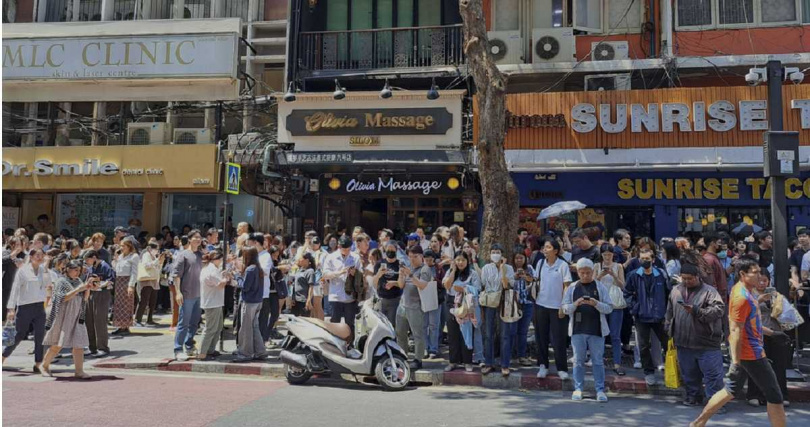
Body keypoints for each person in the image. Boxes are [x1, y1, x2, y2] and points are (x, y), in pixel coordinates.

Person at [690, 258, 788, 427]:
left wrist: (772, 333)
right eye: (755, 273)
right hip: (751, 354)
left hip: (747, 351)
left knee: (730, 390)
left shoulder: (744, 291)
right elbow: (735, 330)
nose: (760, 276)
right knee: (774, 395)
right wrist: (735, 362)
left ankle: (698, 423)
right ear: (743, 274)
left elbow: (750, 324)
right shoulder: (742, 297)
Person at [664, 263, 725, 407]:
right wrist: (668, 327)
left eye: (690, 278)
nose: (686, 281)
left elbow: (719, 310)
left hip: (707, 343)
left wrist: (697, 311)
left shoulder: (710, 292)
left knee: (713, 376)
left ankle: (715, 403)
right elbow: (669, 312)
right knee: (689, 374)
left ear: (697, 277)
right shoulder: (675, 290)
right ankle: (693, 396)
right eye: (684, 278)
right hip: (683, 341)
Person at [561, 258, 613, 402]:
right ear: (577, 272)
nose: (585, 275)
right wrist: (575, 304)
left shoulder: (600, 286)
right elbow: (565, 308)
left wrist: (596, 303)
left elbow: (609, 308)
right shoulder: (572, 287)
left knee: (598, 361)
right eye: (582, 272)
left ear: (593, 272)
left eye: (588, 273)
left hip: (597, 330)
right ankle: (578, 388)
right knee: (578, 361)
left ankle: (600, 390)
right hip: (578, 330)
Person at [39, 260, 92, 378]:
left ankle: (79, 371)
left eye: (79, 270)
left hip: (78, 314)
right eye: (75, 270)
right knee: (58, 344)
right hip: (63, 315)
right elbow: (62, 298)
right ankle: (44, 365)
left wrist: (87, 288)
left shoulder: (78, 281)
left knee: (79, 344)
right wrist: (78, 289)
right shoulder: (61, 281)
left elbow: (85, 299)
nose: (77, 273)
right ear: (67, 269)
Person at [624, 248, 670, 386]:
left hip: (660, 316)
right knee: (643, 346)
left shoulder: (661, 274)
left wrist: (668, 313)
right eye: (642, 259)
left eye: (647, 259)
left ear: (653, 260)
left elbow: (668, 294)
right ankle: (648, 372)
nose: (645, 261)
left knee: (668, 344)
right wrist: (635, 308)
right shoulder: (633, 275)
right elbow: (627, 293)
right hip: (642, 316)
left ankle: (672, 368)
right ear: (639, 259)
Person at [746, 270, 792, 407]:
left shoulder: (776, 295)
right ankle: (754, 394)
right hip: (757, 335)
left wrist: (777, 305)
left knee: (779, 366)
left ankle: (781, 395)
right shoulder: (748, 294)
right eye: (759, 280)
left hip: (776, 333)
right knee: (757, 367)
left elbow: (787, 314)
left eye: (764, 280)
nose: (761, 283)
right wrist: (759, 300)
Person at [3, 248, 52, 372]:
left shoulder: (43, 270)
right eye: (37, 255)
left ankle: (38, 363)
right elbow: (15, 289)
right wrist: (11, 309)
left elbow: (48, 285)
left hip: (39, 306)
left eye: (42, 255)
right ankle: (3, 356)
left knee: (40, 335)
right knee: (19, 334)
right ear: (31, 257)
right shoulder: (23, 270)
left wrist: (46, 268)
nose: (40, 257)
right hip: (25, 307)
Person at [533, 239, 572, 380]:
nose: (545, 249)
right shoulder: (540, 263)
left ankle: (561, 368)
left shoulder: (562, 265)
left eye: (548, 247)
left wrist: (564, 305)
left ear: (555, 250)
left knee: (559, 339)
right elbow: (536, 281)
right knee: (541, 337)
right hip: (541, 304)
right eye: (544, 247)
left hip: (557, 307)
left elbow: (567, 285)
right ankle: (543, 365)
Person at [396, 246, 433, 370]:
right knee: (400, 333)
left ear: (421, 256)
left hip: (416, 306)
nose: (412, 259)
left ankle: (418, 359)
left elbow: (422, 285)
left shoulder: (425, 269)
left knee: (418, 334)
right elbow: (401, 285)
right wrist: (401, 275)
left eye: (415, 257)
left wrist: (410, 274)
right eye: (410, 257)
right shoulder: (408, 268)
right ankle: (402, 355)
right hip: (403, 305)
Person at [443, 252, 481, 373]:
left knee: (467, 333)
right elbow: (446, 285)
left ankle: (467, 362)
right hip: (451, 304)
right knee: (453, 333)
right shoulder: (450, 272)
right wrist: (453, 271)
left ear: (467, 261)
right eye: (458, 260)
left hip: (466, 305)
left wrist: (464, 289)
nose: (460, 262)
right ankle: (453, 361)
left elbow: (478, 289)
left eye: (462, 260)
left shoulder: (472, 274)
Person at [479, 243, 514, 375]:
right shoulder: (486, 268)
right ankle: (489, 363)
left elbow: (507, 285)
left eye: (498, 251)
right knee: (488, 334)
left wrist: (503, 268)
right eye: (493, 251)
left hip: (505, 301)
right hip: (489, 301)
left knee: (505, 334)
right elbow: (483, 285)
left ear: (502, 254)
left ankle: (505, 364)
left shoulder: (509, 268)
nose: (495, 254)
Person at [171, 229, 204, 360]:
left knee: (194, 323)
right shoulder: (183, 255)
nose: (198, 239)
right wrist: (178, 292)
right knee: (183, 323)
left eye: (199, 237)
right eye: (195, 237)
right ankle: (178, 349)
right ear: (189, 239)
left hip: (199, 294)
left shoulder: (201, 255)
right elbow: (176, 275)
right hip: (186, 294)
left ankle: (189, 345)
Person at [595, 244, 626, 375]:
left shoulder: (618, 266)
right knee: (599, 334)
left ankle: (617, 363)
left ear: (613, 254)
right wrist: (600, 275)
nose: (607, 257)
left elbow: (622, 285)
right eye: (604, 254)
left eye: (609, 254)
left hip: (615, 304)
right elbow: (592, 283)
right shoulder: (596, 266)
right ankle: (598, 362)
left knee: (615, 335)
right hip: (600, 303)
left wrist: (613, 275)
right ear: (601, 255)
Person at [322, 235, 361, 335]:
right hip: (335, 295)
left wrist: (354, 273)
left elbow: (361, 274)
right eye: (344, 249)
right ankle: (335, 345)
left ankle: (350, 345)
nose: (346, 251)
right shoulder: (331, 257)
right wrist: (339, 272)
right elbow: (325, 274)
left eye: (348, 249)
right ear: (339, 247)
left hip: (350, 296)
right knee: (335, 323)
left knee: (350, 323)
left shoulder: (355, 257)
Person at [234, 246, 267, 363]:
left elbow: (245, 287)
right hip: (258, 301)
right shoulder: (258, 268)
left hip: (249, 302)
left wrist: (238, 277)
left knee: (246, 328)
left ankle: (245, 353)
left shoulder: (250, 270)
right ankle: (260, 351)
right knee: (254, 327)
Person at [199, 250, 230, 361]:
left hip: (215, 302)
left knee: (217, 327)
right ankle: (202, 353)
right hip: (212, 303)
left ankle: (210, 350)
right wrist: (226, 277)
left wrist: (223, 276)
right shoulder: (211, 271)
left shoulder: (210, 269)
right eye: (221, 259)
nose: (221, 261)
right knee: (211, 328)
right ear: (216, 259)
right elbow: (221, 284)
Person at [510, 252, 535, 367]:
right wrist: (514, 277)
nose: (519, 260)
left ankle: (522, 356)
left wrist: (527, 278)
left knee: (523, 331)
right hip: (513, 304)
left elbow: (535, 281)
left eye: (521, 258)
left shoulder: (529, 268)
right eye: (517, 258)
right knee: (512, 331)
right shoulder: (510, 269)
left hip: (528, 303)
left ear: (525, 259)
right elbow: (506, 283)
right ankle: (512, 355)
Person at [111, 239, 139, 335]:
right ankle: (120, 325)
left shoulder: (134, 257)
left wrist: (131, 285)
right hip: (119, 282)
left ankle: (126, 325)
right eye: (121, 246)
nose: (121, 248)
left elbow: (134, 272)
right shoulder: (120, 257)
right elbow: (116, 269)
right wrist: (115, 258)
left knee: (126, 304)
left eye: (124, 246)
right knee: (119, 304)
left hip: (127, 281)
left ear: (129, 247)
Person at [373, 241, 403, 326]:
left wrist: (394, 283)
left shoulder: (399, 264)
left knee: (392, 325)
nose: (390, 252)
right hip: (381, 298)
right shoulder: (379, 264)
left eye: (392, 250)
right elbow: (374, 283)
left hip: (394, 299)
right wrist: (379, 274)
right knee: (381, 325)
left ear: (396, 251)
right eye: (388, 250)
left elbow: (403, 284)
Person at [423, 249, 445, 359]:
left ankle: (433, 349)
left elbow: (444, 284)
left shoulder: (439, 269)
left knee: (434, 326)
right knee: (423, 325)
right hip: (423, 299)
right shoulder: (421, 268)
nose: (428, 260)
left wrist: (436, 280)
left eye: (430, 258)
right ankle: (425, 348)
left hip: (436, 299)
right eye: (426, 258)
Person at [135, 242, 164, 326]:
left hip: (154, 280)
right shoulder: (146, 255)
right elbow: (146, 265)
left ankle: (149, 319)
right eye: (156, 249)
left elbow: (158, 268)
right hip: (146, 281)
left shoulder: (154, 257)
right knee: (143, 301)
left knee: (152, 301)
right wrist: (156, 261)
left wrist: (160, 261)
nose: (157, 251)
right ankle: (137, 319)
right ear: (150, 249)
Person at [703, 234, 729, 301]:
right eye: (719, 243)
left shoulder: (714, 258)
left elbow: (721, 276)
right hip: (716, 299)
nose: (721, 245)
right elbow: (710, 283)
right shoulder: (709, 259)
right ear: (713, 243)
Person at [290, 253, 316, 317]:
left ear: (307, 260)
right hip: (296, 299)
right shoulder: (299, 270)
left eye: (301, 258)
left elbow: (311, 287)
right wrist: (293, 298)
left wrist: (309, 300)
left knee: (304, 320)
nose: (299, 260)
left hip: (304, 299)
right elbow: (295, 285)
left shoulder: (310, 271)